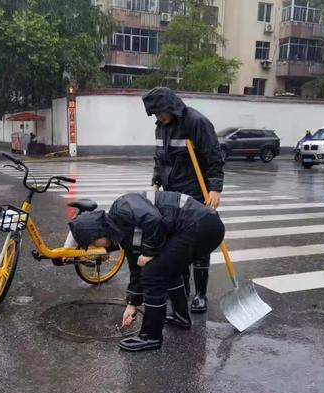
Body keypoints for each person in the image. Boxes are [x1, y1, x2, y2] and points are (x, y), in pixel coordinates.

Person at [68, 191, 225, 352]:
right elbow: (136, 268)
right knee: (166, 268)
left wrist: (149, 252)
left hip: (202, 225)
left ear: (97, 231)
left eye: (93, 242)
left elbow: (153, 219)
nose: (96, 247)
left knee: (153, 273)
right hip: (199, 226)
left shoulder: (122, 207)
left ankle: (151, 336)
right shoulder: (122, 232)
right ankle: (181, 316)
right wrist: (132, 304)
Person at [142, 87, 224, 315]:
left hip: (196, 192)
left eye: (159, 112)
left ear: (170, 106)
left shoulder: (196, 122)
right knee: (175, 243)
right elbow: (160, 158)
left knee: (198, 245)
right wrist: (156, 180)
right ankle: (182, 289)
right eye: (154, 114)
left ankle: (200, 294)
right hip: (172, 192)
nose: (157, 117)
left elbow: (214, 156)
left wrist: (215, 189)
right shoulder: (161, 128)